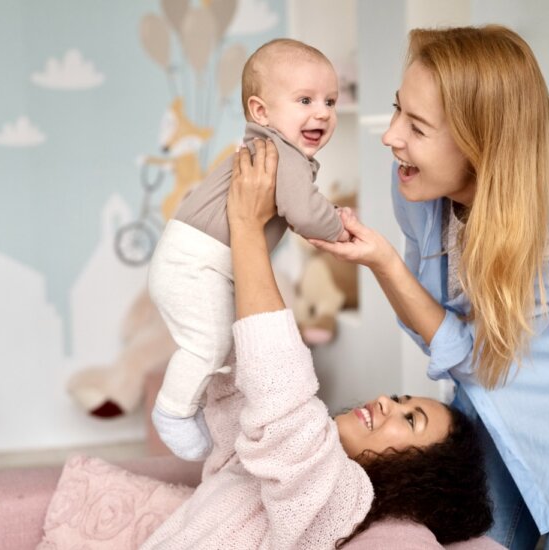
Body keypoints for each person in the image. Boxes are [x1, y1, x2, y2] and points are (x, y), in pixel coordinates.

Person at [309, 26, 549, 550]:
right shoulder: (414, 184)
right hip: (494, 408)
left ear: (479, 138)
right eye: (397, 111)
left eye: (415, 125)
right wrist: (385, 263)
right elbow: (440, 327)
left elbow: (477, 357)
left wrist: (386, 265)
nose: (391, 136)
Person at [140, 138, 494, 549]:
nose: (385, 402)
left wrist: (248, 230)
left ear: (418, 475)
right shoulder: (288, 454)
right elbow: (246, 388)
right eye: (401, 398)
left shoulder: (338, 501)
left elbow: (282, 398)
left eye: (409, 419)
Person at [148, 38, 349, 461]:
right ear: (262, 112)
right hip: (194, 264)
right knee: (208, 344)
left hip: (200, 262)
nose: (322, 113)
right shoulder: (281, 152)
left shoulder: (271, 148)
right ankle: (172, 411)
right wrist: (339, 227)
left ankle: (204, 410)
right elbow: (306, 213)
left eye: (330, 101)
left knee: (231, 349)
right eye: (305, 100)